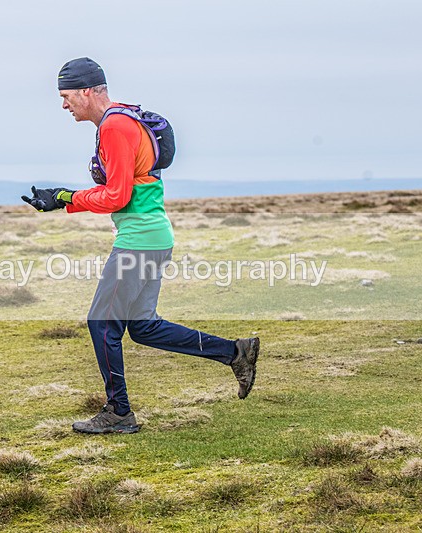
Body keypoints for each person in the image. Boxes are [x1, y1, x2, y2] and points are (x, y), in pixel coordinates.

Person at [22, 57, 259, 434]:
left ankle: (118, 412)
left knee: (101, 324)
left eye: (67, 96)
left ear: (87, 91)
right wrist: (62, 198)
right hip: (154, 237)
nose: (64, 105)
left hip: (139, 242)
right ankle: (235, 352)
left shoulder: (115, 126)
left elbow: (116, 196)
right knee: (143, 327)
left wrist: (66, 197)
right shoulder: (121, 119)